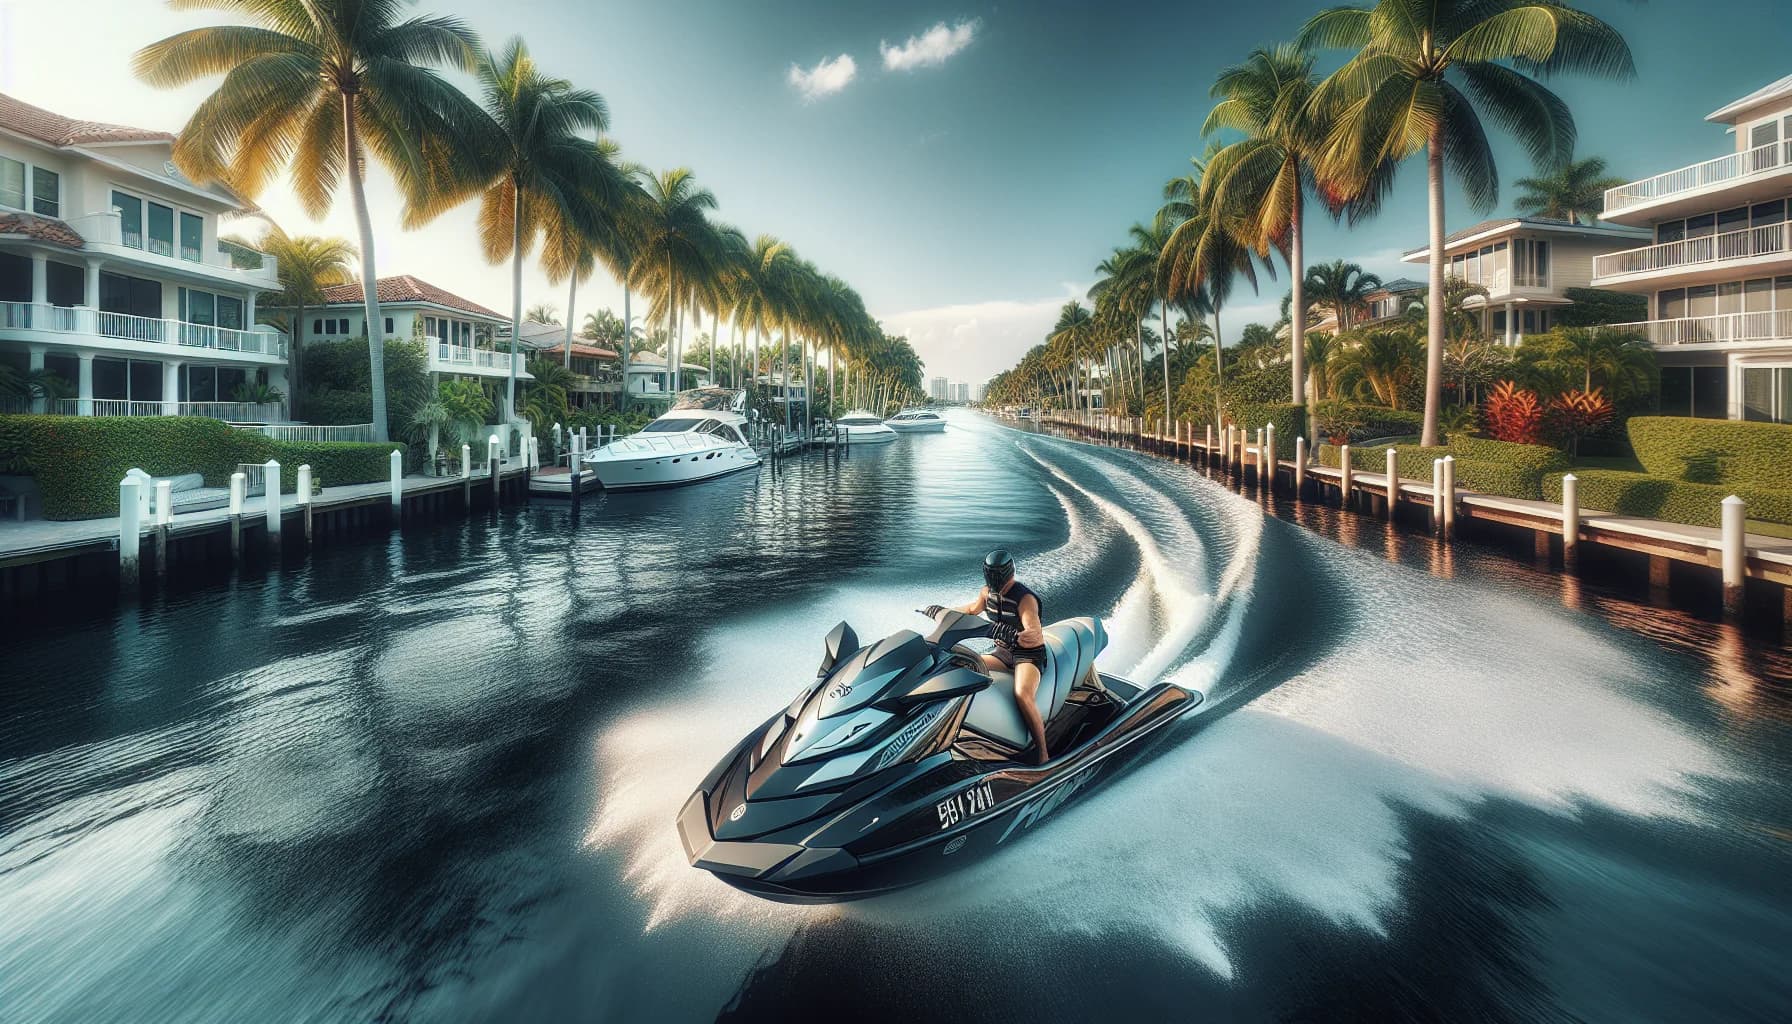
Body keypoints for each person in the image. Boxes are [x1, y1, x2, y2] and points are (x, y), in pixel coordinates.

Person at [927, 550, 1050, 764]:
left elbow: (1035, 633)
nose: (995, 578)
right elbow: (972, 609)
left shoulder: (1025, 598)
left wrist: (1015, 635)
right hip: (1002, 654)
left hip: (1027, 656)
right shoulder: (986, 593)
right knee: (961, 666)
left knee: (1022, 694)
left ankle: (1043, 753)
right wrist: (942, 611)